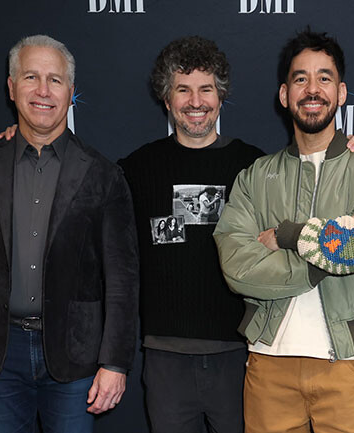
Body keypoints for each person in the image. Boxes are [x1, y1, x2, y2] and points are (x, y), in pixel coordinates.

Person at [0, 35, 139, 433]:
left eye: (55, 80)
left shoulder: (103, 175)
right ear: (11, 87)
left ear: (71, 92)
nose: (43, 91)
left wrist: (114, 362)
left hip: (76, 358)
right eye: (31, 77)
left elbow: (122, 279)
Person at [213, 28, 354, 433]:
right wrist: (332, 257)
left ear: (341, 92)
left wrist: (289, 236)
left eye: (324, 78)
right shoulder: (255, 177)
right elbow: (238, 268)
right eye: (300, 78)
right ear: (284, 95)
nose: (312, 89)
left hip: (349, 370)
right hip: (268, 368)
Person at [117, 36, 265, 433]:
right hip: (166, 357)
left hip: (239, 352)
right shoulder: (136, 169)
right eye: (183, 89)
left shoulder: (254, 166)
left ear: (221, 97)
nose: (195, 101)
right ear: (167, 99)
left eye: (206, 89)